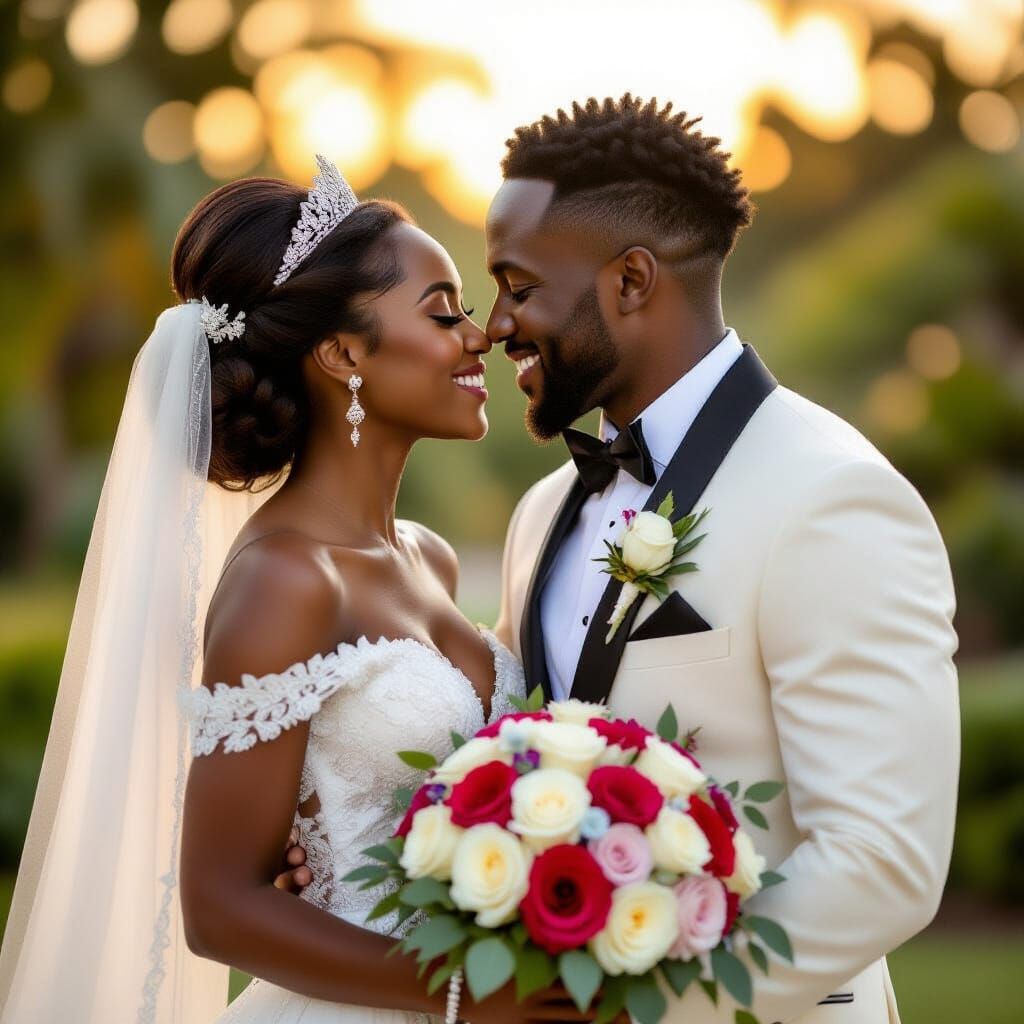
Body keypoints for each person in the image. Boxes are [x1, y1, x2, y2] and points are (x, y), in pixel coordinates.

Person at [0, 157, 594, 1023]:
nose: (480, 336)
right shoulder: (286, 579)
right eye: (444, 311)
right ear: (343, 351)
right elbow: (220, 905)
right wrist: (474, 993)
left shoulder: (429, 559)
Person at [487, 95, 961, 1023]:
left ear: (631, 281)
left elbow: (882, 860)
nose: (496, 322)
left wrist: (637, 1004)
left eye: (518, 284)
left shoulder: (834, 498)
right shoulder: (542, 511)